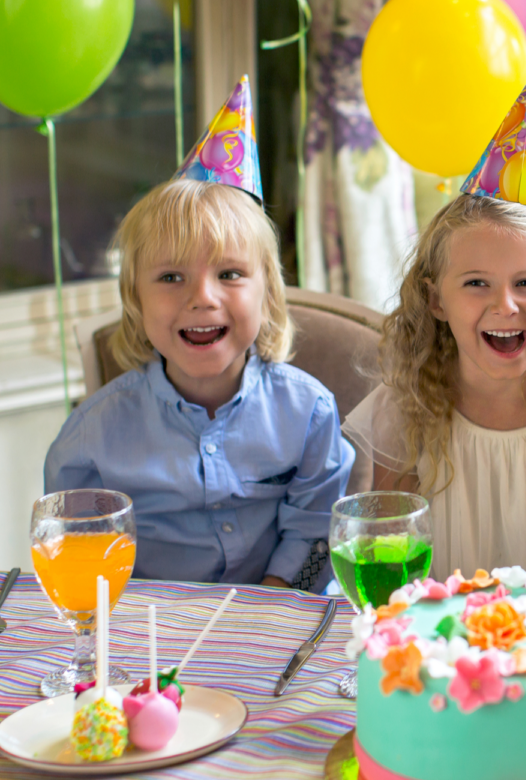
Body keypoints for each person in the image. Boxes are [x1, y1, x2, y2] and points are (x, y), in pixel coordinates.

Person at [45, 79, 354, 587]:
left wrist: (262, 611)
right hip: (149, 640)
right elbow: (78, 562)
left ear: (268, 294)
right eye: (171, 277)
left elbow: (318, 533)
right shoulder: (90, 438)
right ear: (135, 301)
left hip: (276, 628)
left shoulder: (309, 414)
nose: (203, 297)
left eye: (230, 274)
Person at [343, 75, 526, 582]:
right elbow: (386, 553)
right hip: (442, 641)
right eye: (476, 283)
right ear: (435, 299)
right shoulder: (407, 404)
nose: (505, 305)